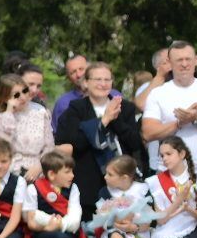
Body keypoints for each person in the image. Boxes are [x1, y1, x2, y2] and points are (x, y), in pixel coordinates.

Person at [56, 62, 144, 210]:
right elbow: (75, 144)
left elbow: (135, 143)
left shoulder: (126, 107)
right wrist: (103, 121)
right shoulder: (76, 109)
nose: (103, 84)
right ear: (86, 82)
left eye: (107, 80)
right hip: (87, 184)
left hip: (121, 186)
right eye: (97, 79)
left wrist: (115, 120)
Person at [142, 41, 197, 180]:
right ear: (169, 63)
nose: (184, 64)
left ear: (196, 60)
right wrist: (178, 123)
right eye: (179, 60)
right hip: (168, 175)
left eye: (188, 59)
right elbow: (147, 133)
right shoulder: (157, 93)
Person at [49, 53, 90, 132]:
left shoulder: (112, 94)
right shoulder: (64, 103)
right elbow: (57, 135)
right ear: (69, 78)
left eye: (81, 69)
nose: (79, 75)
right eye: (73, 72)